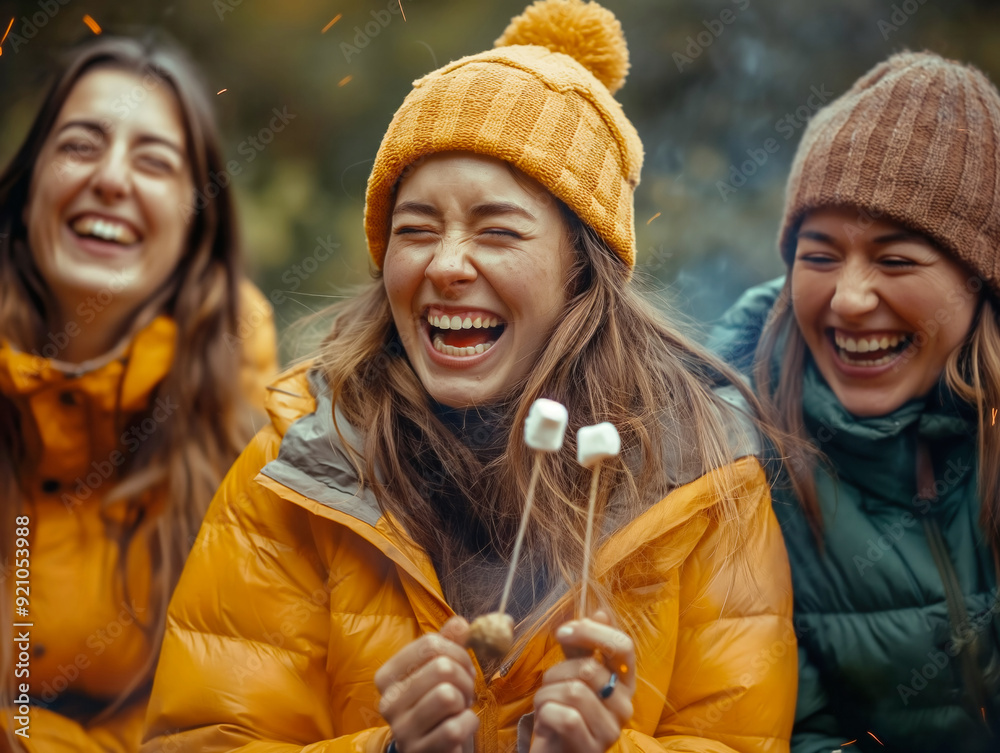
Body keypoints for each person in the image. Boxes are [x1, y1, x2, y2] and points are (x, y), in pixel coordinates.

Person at [141, 2, 795, 751]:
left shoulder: (705, 482)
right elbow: (201, 736)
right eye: (415, 229)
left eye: (497, 230)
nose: (446, 265)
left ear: (584, 268)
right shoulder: (300, 466)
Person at [708, 51, 1000, 753]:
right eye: (819, 255)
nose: (849, 298)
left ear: (980, 279)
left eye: (896, 259)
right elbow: (781, 730)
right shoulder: (734, 453)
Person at [0, 36, 278, 752]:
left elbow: (222, 709)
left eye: (154, 161)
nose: (112, 179)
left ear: (194, 222)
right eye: (81, 144)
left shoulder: (247, 415)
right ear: (29, 184)